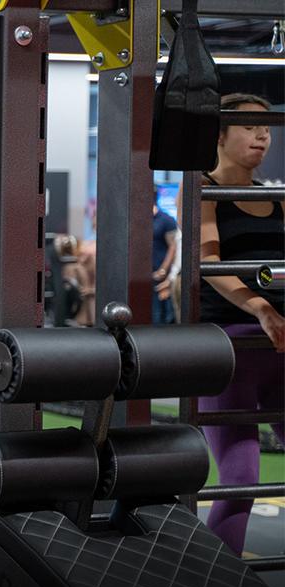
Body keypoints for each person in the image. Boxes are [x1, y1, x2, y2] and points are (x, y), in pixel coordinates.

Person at [194, 93, 284, 556]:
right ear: (220, 136)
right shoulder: (203, 192)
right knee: (241, 477)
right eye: (250, 126)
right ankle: (216, 586)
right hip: (229, 348)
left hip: (279, 346)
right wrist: (262, 308)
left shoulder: (277, 197)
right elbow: (214, 268)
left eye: (266, 127)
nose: (262, 135)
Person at [151, 203, 179, 325]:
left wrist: (163, 269)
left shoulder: (166, 220)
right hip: (147, 274)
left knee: (164, 314)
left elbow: (173, 247)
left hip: (161, 273)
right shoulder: (140, 219)